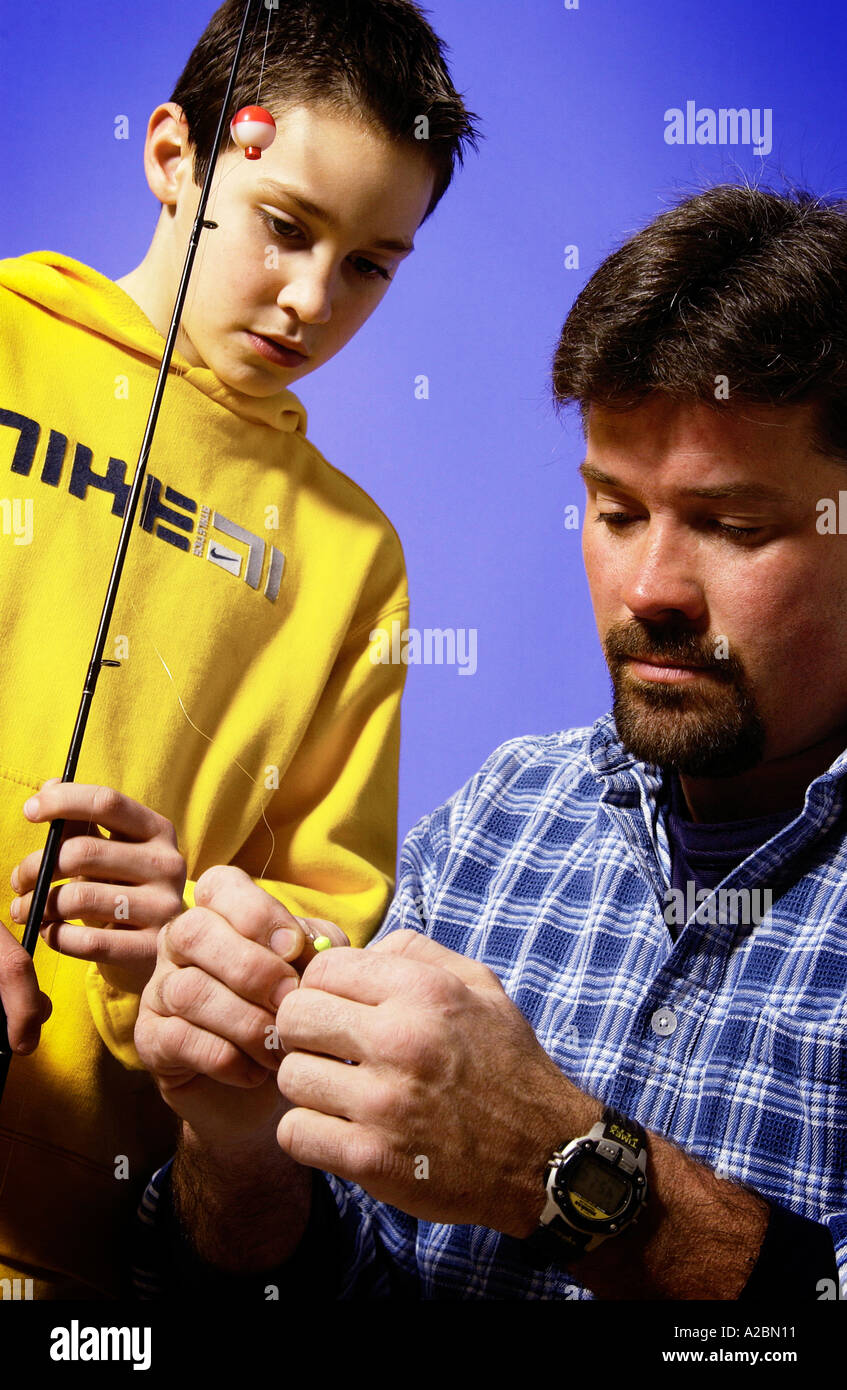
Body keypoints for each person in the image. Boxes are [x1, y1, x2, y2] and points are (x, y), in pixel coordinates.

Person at [135, 184, 846, 1300]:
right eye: (614, 511)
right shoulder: (501, 817)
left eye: (732, 525)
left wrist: (547, 1163)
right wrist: (239, 1146)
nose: (650, 588)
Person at [0, 0, 478, 1297]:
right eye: (285, 225)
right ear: (173, 157)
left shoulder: (350, 559)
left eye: (372, 262)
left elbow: (322, 934)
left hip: (92, 1254)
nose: (314, 298)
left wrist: (208, 944)